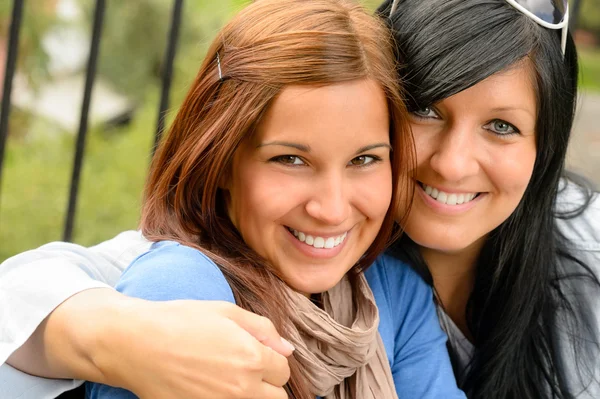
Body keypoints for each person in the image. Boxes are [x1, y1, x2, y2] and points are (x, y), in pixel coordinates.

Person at [2, 0, 599, 397]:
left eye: (502, 126)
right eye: (424, 111)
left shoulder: (394, 296)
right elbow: (37, 289)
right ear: (222, 162)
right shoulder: (182, 288)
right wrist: (104, 335)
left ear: (545, 147)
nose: (451, 162)